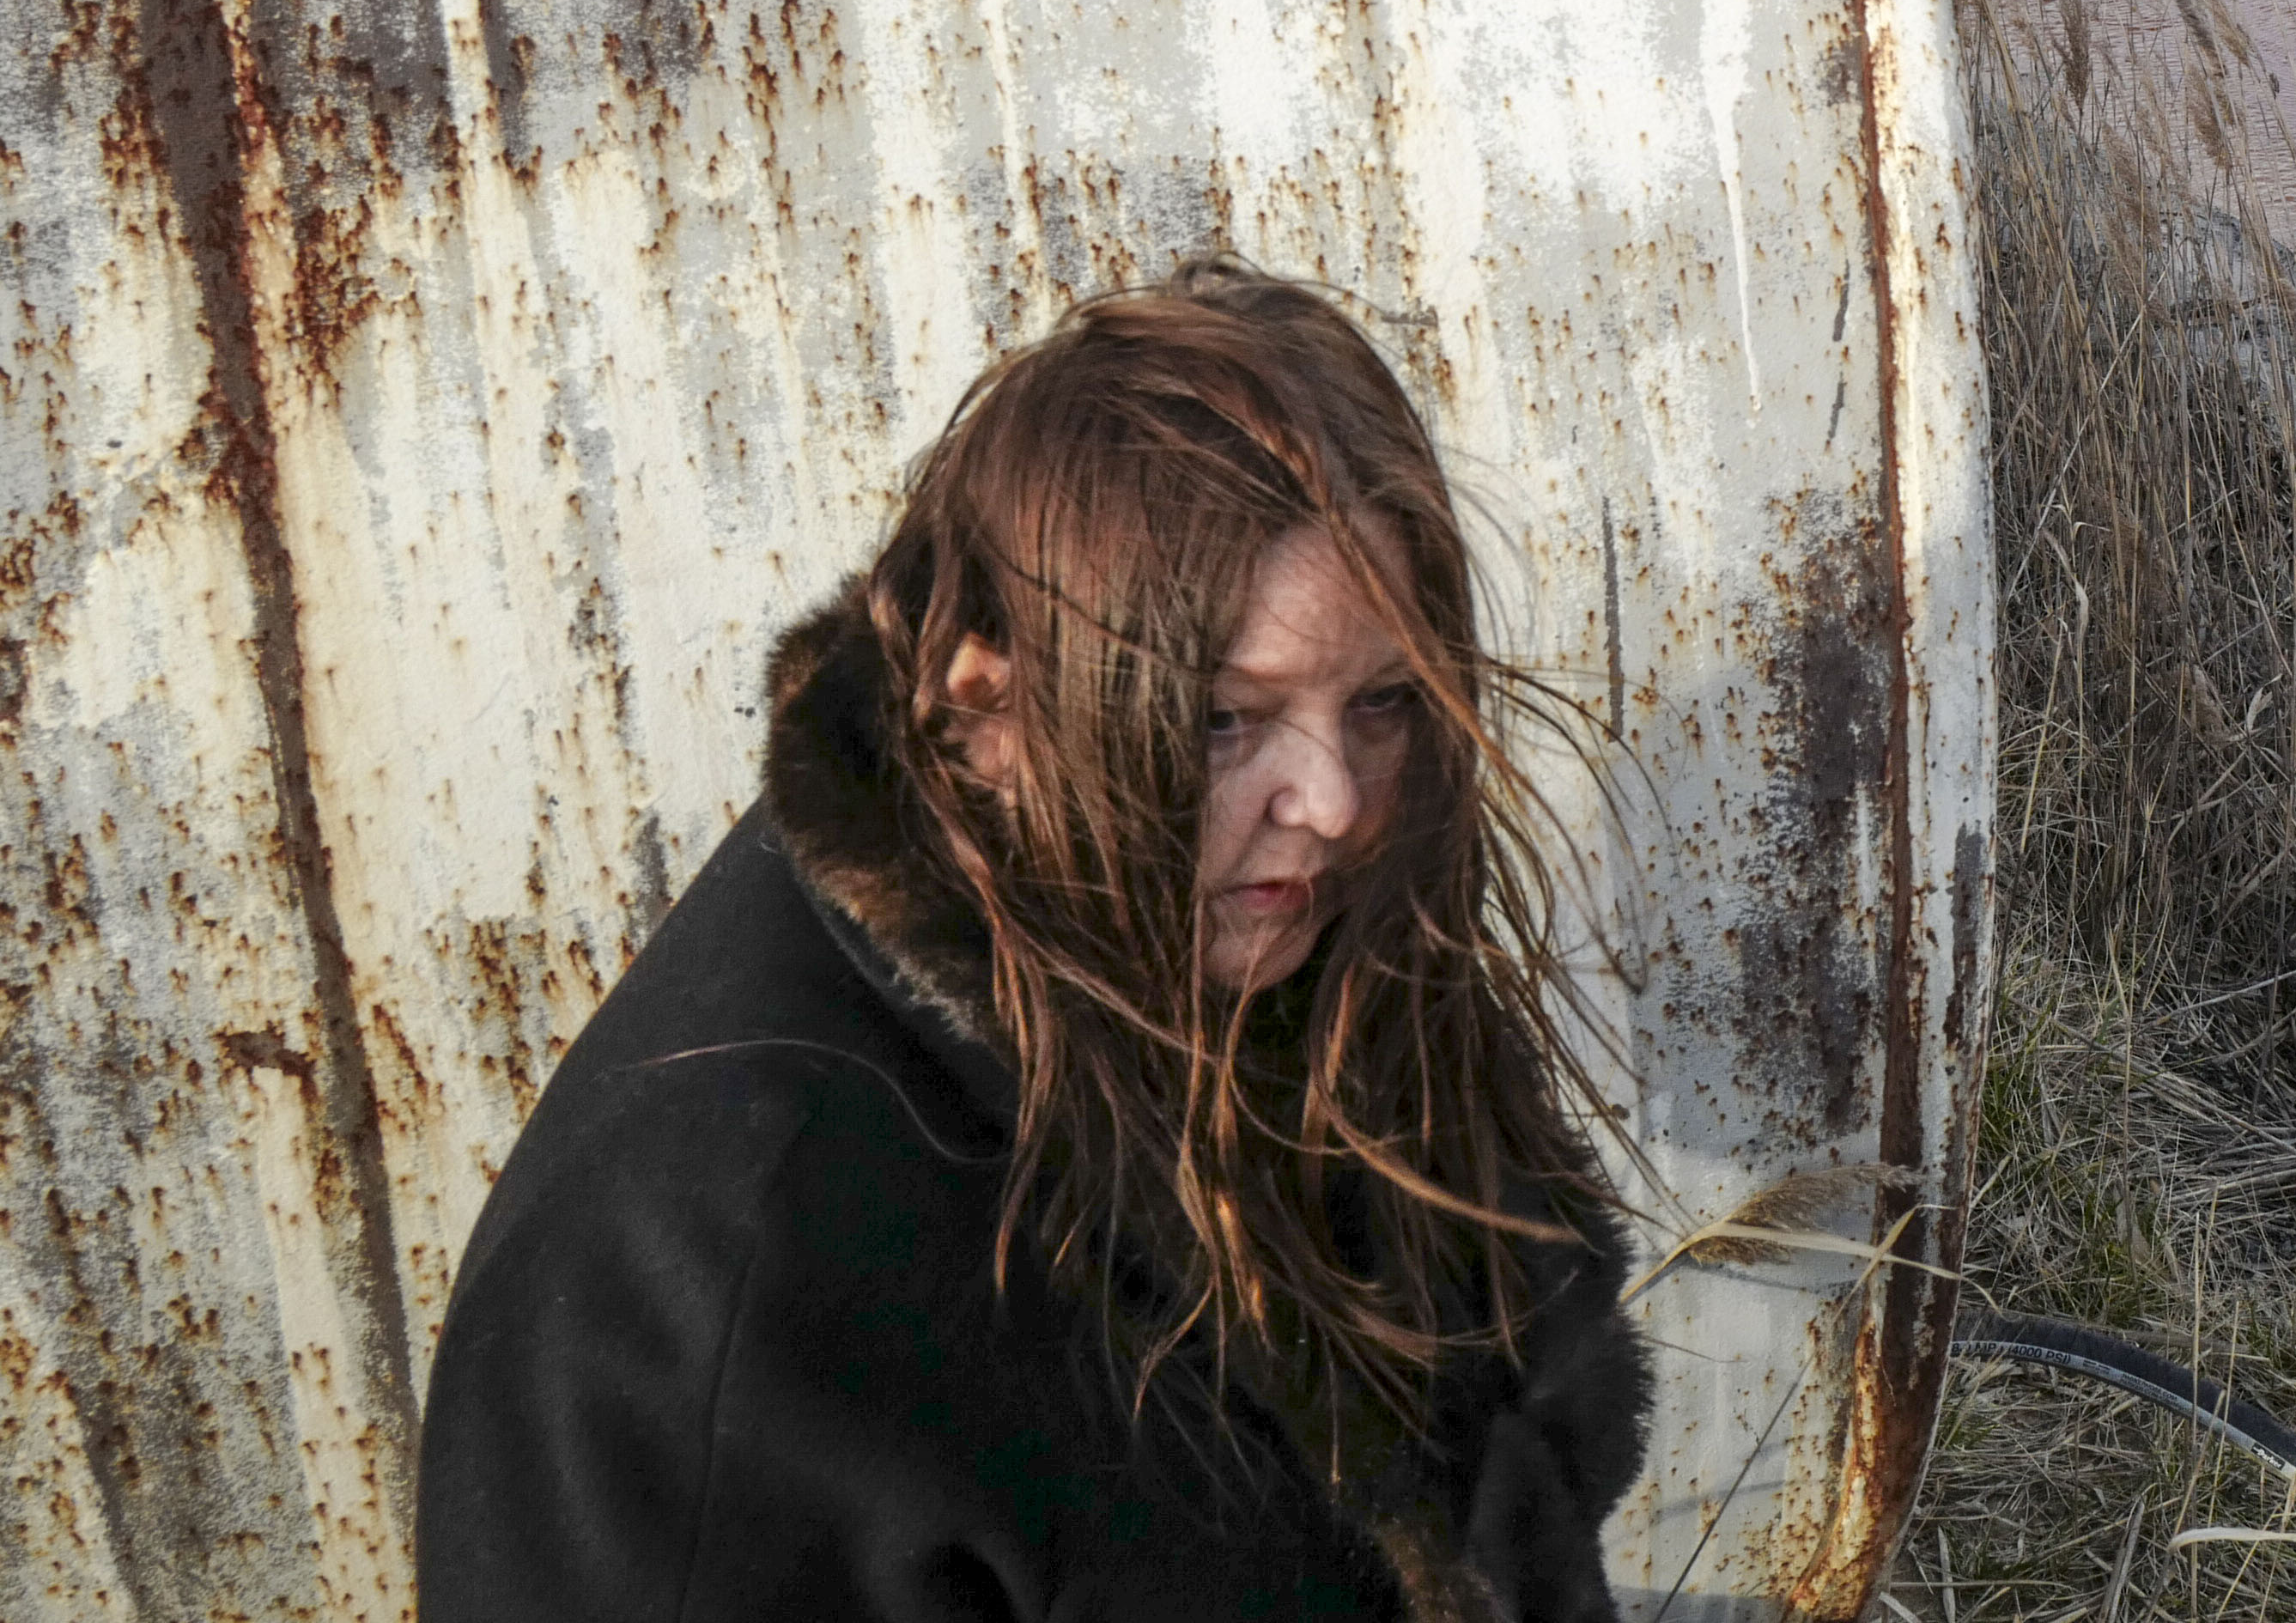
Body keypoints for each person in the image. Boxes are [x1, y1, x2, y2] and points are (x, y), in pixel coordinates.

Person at [421, 262, 1649, 1621]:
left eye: (1379, 702)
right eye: (1224, 719)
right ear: (986, 705)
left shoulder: (1275, 957)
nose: (1334, 801)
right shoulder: (722, 1260)